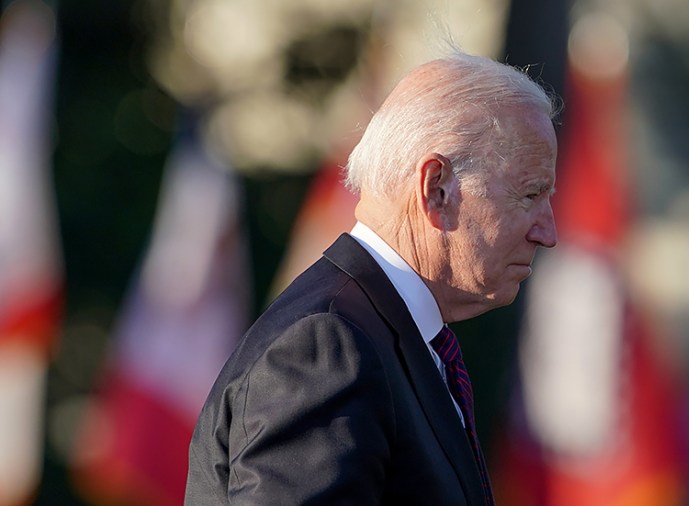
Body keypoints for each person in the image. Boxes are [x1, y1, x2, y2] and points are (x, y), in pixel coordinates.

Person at [184, 50, 559, 505]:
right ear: (436, 187)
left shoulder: (376, 335)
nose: (548, 232)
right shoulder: (327, 347)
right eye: (529, 194)